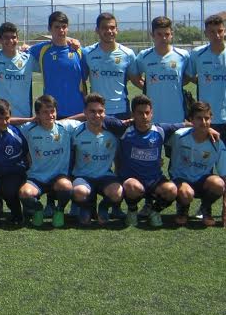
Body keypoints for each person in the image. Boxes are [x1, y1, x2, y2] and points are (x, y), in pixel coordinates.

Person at [185, 14, 226, 220]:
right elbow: (188, 76)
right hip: (206, 120)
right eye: (212, 32)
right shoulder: (197, 55)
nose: (217, 35)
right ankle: (205, 206)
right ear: (206, 33)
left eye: (220, 31)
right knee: (205, 162)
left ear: (225, 31)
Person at [115, 95, 184, 228]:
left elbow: (186, 125)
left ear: (152, 113)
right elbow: (103, 120)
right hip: (132, 179)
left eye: (147, 113)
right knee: (131, 186)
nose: (144, 116)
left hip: (154, 180)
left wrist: (208, 128)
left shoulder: (161, 130)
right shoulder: (124, 129)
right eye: (140, 113)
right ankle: (132, 211)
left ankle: (154, 211)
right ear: (133, 114)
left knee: (171, 189)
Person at [169, 101, 226, 228]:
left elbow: (225, 174)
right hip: (181, 180)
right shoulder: (179, 136)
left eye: (207, 118)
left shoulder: (217, 143)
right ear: (191, 119)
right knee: (186, 193)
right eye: (199, 118)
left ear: (211, 118)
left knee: (218, 184)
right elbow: (158, 135)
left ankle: (206, 208)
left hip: (202, 182)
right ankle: (183, 208)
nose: (204, 122)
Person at [67, 94, 123, 227]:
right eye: (92, 111)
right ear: (85, 112)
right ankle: (87, 207)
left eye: (100, 111)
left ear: (105, 112)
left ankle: (103, 207)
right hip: (83, 176)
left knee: (118, 192)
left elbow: (118, 155)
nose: (97, 115)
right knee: (79, 192)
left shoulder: (113, 132)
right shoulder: (76, 132)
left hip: (105, 176)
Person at [18, 95, 74, 228]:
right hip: (37, 177)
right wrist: (29, 119)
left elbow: (87, 117)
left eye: (52, 111)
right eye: (45, 112)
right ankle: (38, 209)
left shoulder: (66, 127)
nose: (50, 115)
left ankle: (59, 210)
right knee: (24, 193)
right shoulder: (28, 128)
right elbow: (7, 121)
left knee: (67, 186)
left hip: (58, 178)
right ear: (37, 114)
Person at [128, 16, 190, 125]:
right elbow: (135, 77)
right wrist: (149, 86)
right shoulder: (143, 56)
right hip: (152, 117)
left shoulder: (183, 55)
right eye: (159, 34)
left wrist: (173, 84)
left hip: (177, 115)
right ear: (152, 35)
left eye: (167, 34)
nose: (164, 38)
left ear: (172, 34)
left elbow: (188, 77)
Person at [28, 11, 86, 118]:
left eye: (64, 27)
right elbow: (20, 54)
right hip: (51, 112)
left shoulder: (78, 50)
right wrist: (23, 48)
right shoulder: (42, 49)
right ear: (49, 29)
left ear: (67, 28)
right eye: (57, 27)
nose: (61, 30)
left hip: (77, 111)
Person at [82, 13, 136, 118]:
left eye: (112, 27)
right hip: (97, 111)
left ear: (117, 30)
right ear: (97, 30)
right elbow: (81, 81)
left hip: (121, 110)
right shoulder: (87, 53)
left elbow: (136, 80)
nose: (109, 31)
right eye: (104, 28)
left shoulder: (128, 54)